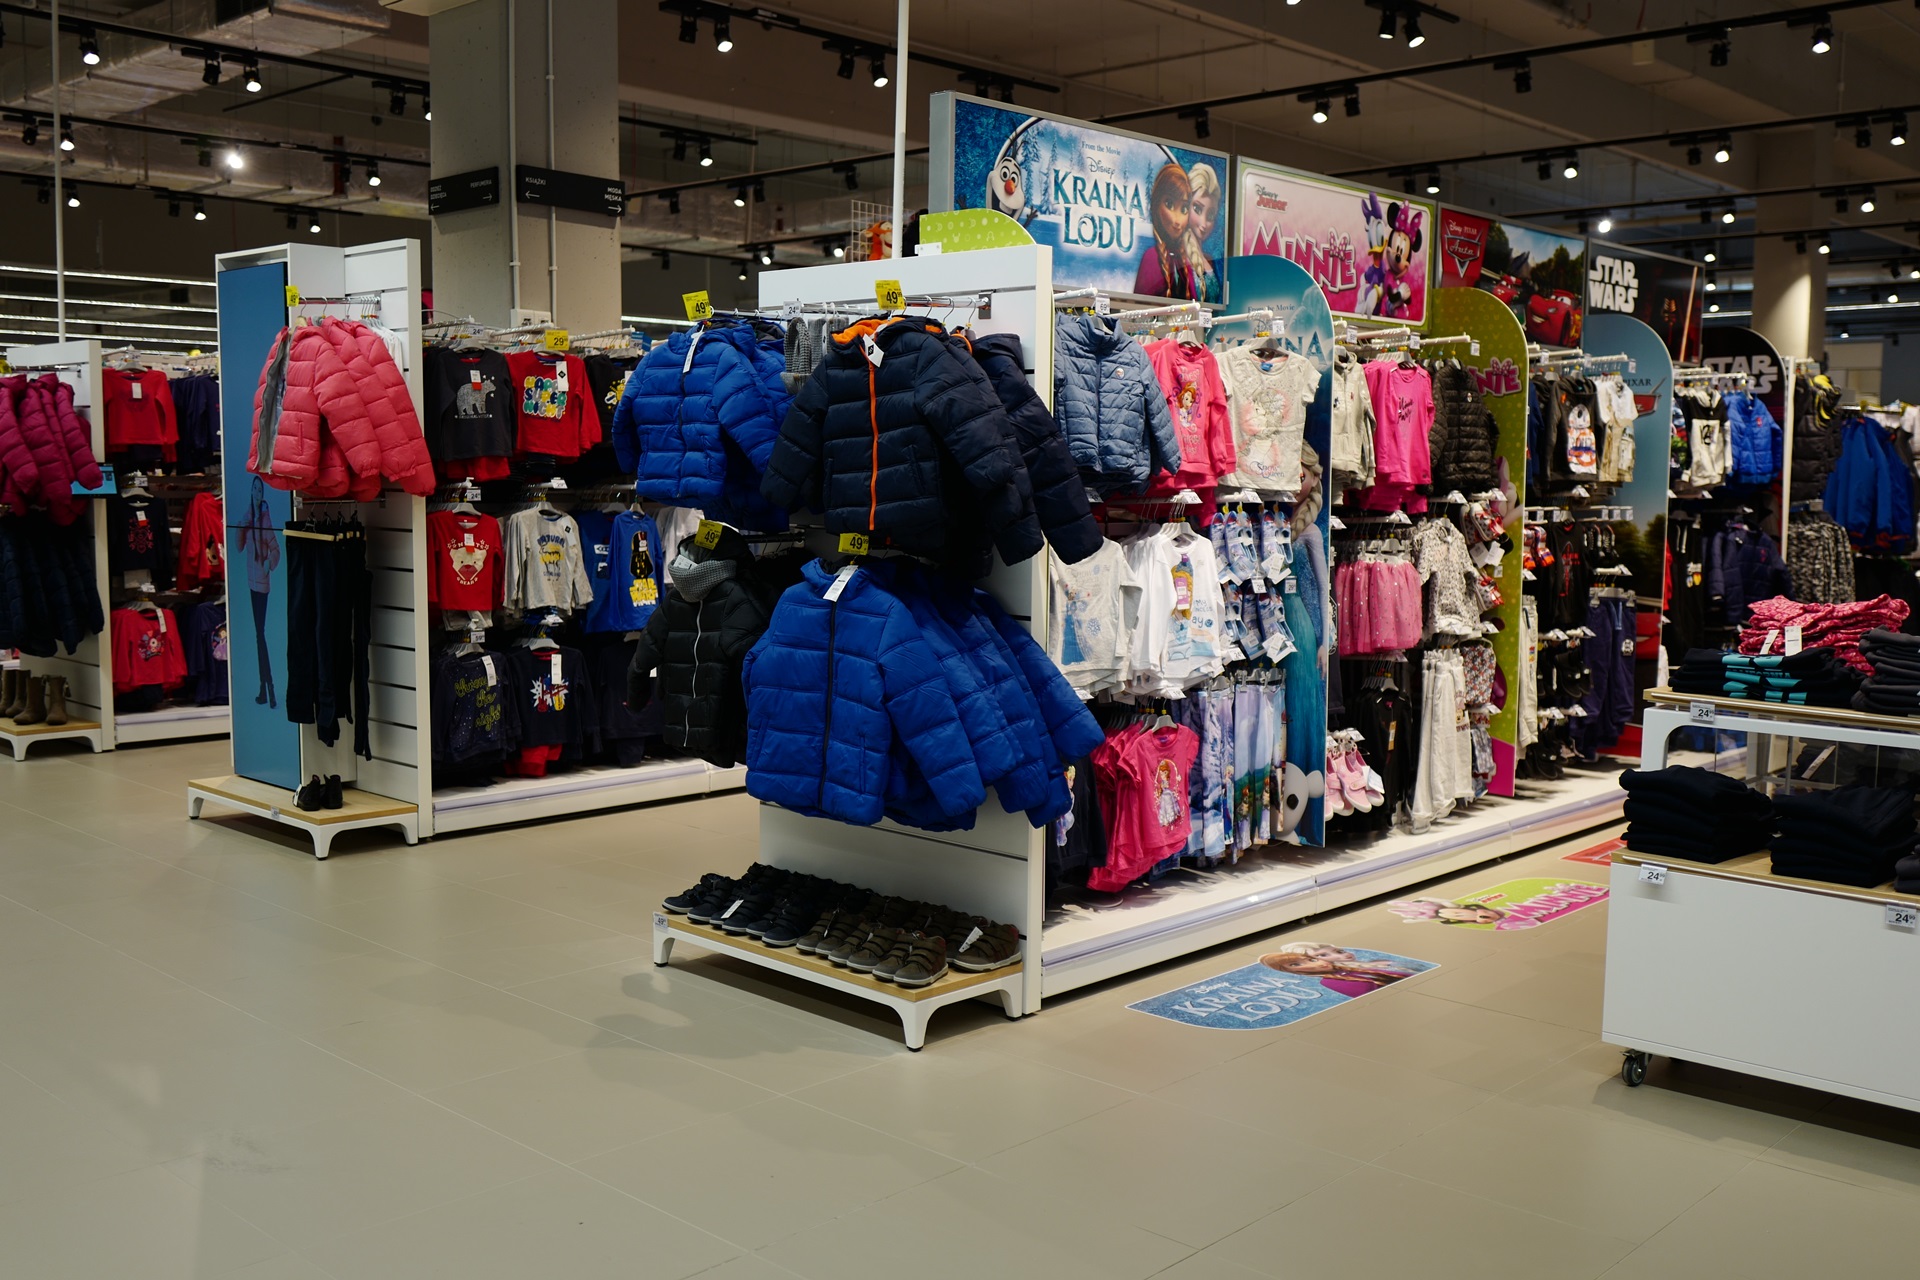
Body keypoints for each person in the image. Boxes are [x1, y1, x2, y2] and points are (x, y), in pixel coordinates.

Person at [235, 476, 281, 708]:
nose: (257, 492)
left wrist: (268, 563)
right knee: (257, 634)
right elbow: (238, 546)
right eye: (254, 488)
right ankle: (265, 689)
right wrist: (241, 526)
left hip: (261, 584)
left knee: (260, 634)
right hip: (250, 583)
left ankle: (269, 686)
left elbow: (276, 549)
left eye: (260, 489)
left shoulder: (265, 520)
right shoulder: (248, 517)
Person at [1259, 942, 1417, 997]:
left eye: (1313, 959)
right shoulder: (1333, 981)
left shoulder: (1366, 965)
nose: (1317, 963)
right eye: (1295, 964)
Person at [1133, 163, 1195, 300]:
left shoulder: (1184, 263)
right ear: (1156, 204)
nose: (1177, 220)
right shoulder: (1151, 258)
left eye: (1184, 209)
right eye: (1169, 204)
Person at [1182, 162, 1223, 303]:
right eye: (1197, 209)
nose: (1203, 224)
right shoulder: (1174, 257)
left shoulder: (1212, 262)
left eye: (1210, 216)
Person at [1387, 896, 1509, 926]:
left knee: (1429, 916)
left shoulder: (1482, 918)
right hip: (1452, 910)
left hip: (1452, 915)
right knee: (1446, 905)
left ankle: (1413, 918)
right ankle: (1399, 906)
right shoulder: (1483, 912)